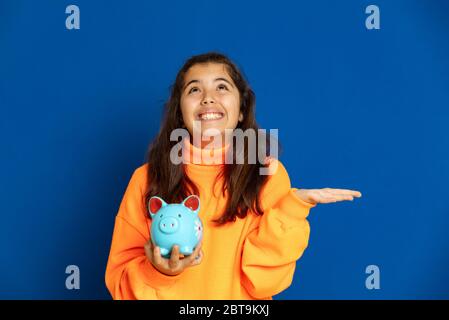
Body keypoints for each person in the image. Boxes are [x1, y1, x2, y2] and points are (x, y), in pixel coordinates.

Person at [105, 52, 362, 300]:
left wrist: (292, 210)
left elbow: (263, 283)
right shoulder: (146, 179)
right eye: (194, 89)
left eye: (222, 87)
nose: (208, 98)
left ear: (241, 111)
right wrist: (159, 272)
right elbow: (120, 287)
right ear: (180, 114)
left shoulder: (266, 175)